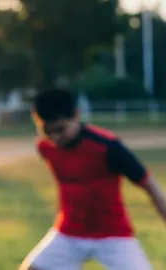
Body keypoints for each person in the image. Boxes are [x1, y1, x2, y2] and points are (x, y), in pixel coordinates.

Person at [19, 89, 166, 270]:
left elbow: (149, 184)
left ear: (76, 115)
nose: (55, 138)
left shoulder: (108, 147)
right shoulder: (45, 147)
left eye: (60, 130)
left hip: (112, 234)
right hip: (69, 232)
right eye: (47, 131)